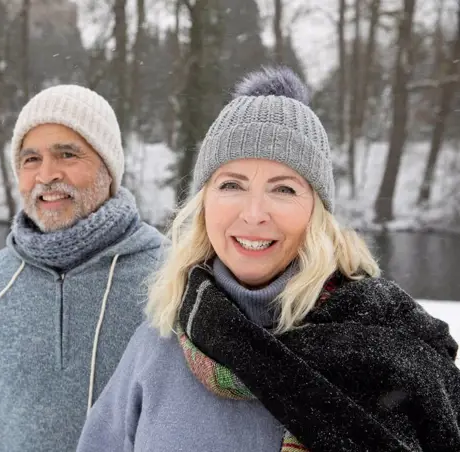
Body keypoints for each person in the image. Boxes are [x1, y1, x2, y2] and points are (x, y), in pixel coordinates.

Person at [77, 67, 460, 452]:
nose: (254, 213)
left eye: (283, 189)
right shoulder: (158, 345)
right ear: (204, 203)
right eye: (231, 185)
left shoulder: (390, 350)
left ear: (317, 211)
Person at [0, 85, 167, 452]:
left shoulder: (169, 277)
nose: (46, 175)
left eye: (67, 154)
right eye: (30, 159)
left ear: (108, 167)